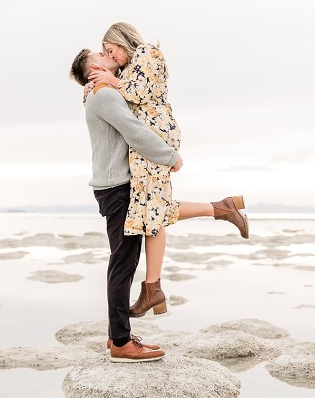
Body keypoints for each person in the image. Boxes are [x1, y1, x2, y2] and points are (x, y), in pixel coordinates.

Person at [85, 22, 247, 320]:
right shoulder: (129, 67)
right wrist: (99, 84)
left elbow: (140, 92)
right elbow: (116, 99)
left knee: (152, 210)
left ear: (123, 41)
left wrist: (112, 81)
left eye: (111, 50)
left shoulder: (149, 53)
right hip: (145, 142)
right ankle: (220, 210)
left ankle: (153, 289)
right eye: (107, 53)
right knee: (152, 209)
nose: (112, 56)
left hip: (155, 136)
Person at [70, 49, 174, 363]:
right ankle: (120, 343)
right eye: (100, 53)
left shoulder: (101, 93)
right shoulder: (103, 96)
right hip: (117, 188)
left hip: (112, 187)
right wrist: (170, 156)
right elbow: (134, 130)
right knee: (123, 263)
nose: (107, 52)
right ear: (94, 66)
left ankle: (120, 334)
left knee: (123, 261)